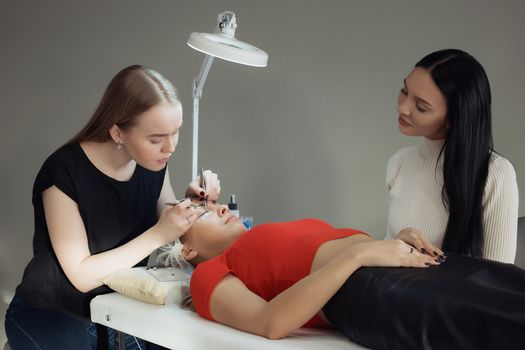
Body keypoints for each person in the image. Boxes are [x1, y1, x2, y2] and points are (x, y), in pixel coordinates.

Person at [4, 65, 218, 350]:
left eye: (175, 132)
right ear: (118, 133)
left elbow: (173, 233)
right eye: (156, 139)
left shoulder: (152, 163)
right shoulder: (63, 172)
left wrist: (193, 202)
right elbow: (82, 276)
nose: (170, 147)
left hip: (118, 308)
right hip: (54, 311)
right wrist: (158, 233)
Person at [178, 200, 525, 350]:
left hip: (404, 265)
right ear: (187, 250)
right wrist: (359, 254)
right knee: (503, 324)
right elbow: (270, 322)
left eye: (210, 203)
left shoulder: (256, 237)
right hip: (369, 292)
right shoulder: (208, 273)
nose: (219, 207)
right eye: (199, 213)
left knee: (509, 283)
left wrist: (391, 242)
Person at [385, 49, 519, 263]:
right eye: (404, 90)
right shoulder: (399, 163)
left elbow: (496, 281)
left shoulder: (495, 173)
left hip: (450, 297)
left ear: (454, 117)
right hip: (391, 295)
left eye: (421, 107)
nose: (403, 107)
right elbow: (386, 258)